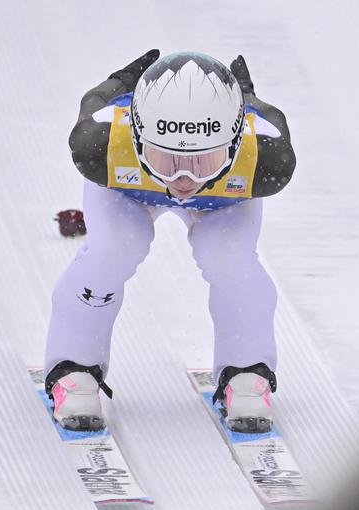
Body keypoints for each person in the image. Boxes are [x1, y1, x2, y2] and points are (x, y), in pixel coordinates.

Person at [44, 50, 296, 433]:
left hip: (208, 198)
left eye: (203, 162)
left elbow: (94, 99)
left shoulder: (266, 156)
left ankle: (247, 369)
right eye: (166, 159)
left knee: (230, 260)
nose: (183, 180)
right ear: (135, 136)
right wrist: (120, 82)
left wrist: (245, 96)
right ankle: (73, 366)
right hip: (135, 192)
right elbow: (95, 102)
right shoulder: (101, 143)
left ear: (235, 144)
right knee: (113, 249)